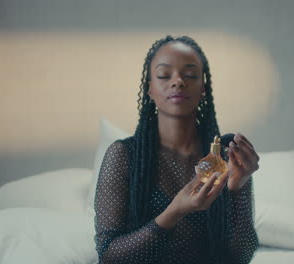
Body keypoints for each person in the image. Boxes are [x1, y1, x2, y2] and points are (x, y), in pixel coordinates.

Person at [94, 35, 260, 264]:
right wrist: (175, 212)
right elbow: (109, 256)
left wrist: (236, 189)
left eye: (190, 75)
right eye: (164, 75)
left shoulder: (225, 156)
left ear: (203, 87)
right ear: (150, 88)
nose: (178, 81)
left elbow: (240, 257)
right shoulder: (124, 155)